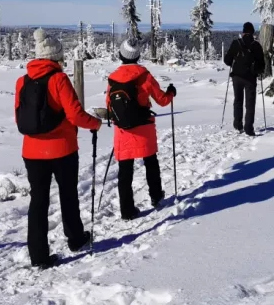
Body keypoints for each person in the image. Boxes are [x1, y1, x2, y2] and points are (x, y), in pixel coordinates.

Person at [14, 28, 102, 269]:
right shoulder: (59, 79)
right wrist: (94, 123)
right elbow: (75, 115)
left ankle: (38, 255)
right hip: (62, 149)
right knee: (68, 195)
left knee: (38, 201)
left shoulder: (22, 81)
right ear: (56, 57)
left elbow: (18, 117)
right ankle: (75, 238)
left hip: (31, 151)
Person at [106, 38, 176, 220]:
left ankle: (127, 210)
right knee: (151, 162)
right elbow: (162, 100)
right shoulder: (144, 75)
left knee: (125, 170)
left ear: (121, 55)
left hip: (123, 130)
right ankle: (156, 196)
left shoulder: (113, 78)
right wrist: (171, 93)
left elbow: (109, 106)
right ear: (137, 55)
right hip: (143, 126)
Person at [223, 22, 266, 136]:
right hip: (250, 78)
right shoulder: (256, 45)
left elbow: (227, 61)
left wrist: (234, 61)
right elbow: (262, 64)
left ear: (243, 32)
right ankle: (248, 128)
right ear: (252, 32)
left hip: (236, 76)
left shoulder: (235, 43)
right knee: (250, 103)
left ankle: (238, 125)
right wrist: (257, 71)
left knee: (238, 100)